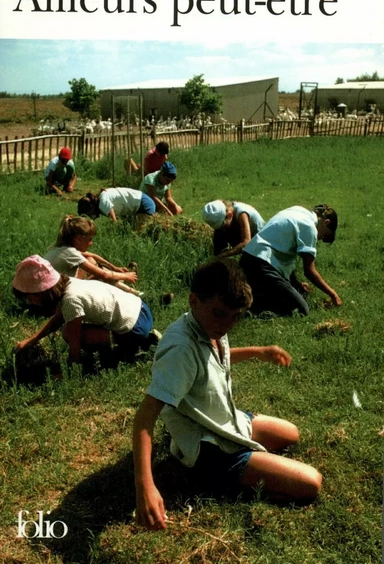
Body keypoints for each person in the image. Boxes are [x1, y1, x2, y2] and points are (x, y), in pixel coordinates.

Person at [133, 258, 322, 531]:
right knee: (310, 483)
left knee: (291, 433)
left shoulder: (210, 324)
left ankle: (246, 459)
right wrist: (145, 487)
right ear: (194, 300)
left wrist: (258, 352)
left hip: (226, 419)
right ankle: (221, 479)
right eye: (221, 313)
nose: (228, 325)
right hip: (209, 446)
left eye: (236, 316)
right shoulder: (180, 351)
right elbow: (144, 420)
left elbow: (215, 359)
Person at [13, 255, 159, 366]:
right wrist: (33, 340)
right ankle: (143, 340)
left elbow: (74, 341)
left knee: (68, 333)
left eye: (30, 298)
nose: (30, 302)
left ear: (41, 292)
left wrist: (70, 370)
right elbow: (59, 318)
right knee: (69, 329)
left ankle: (133, 348)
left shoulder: (70, 300)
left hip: (134, 327)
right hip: (140, 308)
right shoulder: (69, 282)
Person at [239, 204, 342, 317]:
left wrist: (296, 283)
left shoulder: (297, 210)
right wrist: (333, 294)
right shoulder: (310, 227)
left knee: (284, 292)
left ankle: (255, 299)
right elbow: (309, 271)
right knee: (301, 309)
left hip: (247, 259)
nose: (320, 239)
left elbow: (285, 256)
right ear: (326, 222)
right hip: (262, 265)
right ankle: (255, 311)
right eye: (325, 236)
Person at [44, 215, 142, 296]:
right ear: (78, 238)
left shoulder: (61, 248)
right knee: (101, 275)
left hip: (53, 291)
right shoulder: (70, 253)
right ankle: (134, 293)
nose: (91, 243)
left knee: (91, 261)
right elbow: (104, 275)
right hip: (59, 296)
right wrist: (126, 276)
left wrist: (114, 268)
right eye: (89, 239)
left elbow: (92, 255)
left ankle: (119, 282)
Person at [77, 187, 156, 223]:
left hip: (144, 205)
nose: (91, 217)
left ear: (91, 207)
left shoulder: (103, 204)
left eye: (89, 214)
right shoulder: (102, 197)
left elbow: (115, 221)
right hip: (142, 201)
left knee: (137, 235)